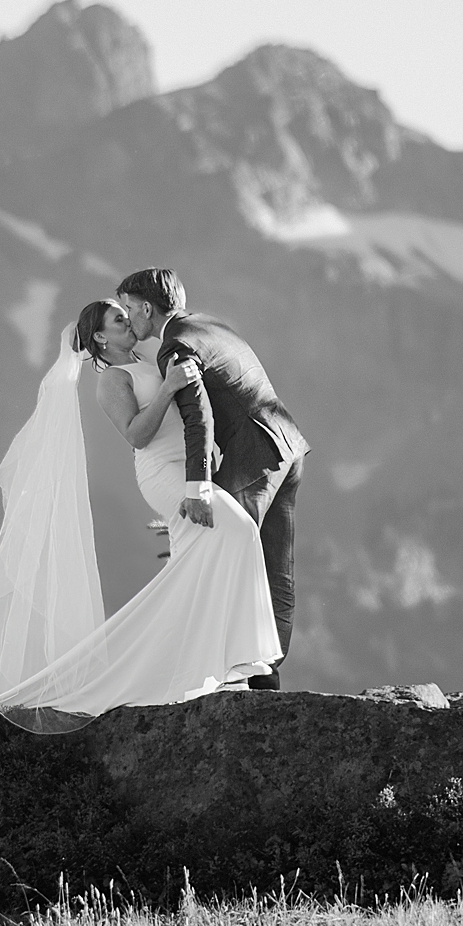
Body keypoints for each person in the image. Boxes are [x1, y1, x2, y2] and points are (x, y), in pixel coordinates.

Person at [0, 296, 280, 755]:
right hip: (164, 474)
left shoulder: (155, 359)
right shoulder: (112, 380)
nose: (128, 321)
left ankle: (217, 667)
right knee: (237, 532)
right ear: (100, 337)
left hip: (193, 469)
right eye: (119, 319)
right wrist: (167, 389)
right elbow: (136, 434)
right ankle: (238, 662)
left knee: (203, 563)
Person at [116, 269, 307, 691]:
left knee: (224, 555)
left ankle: (233, 672)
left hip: (253, 457)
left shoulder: (175, 346)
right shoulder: (212, 326)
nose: (128, 319)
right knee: (275, 569)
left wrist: (199, 488)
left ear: (148, 307)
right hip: (286, 446)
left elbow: (197, 416)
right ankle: (264, 675)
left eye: (129, 308)